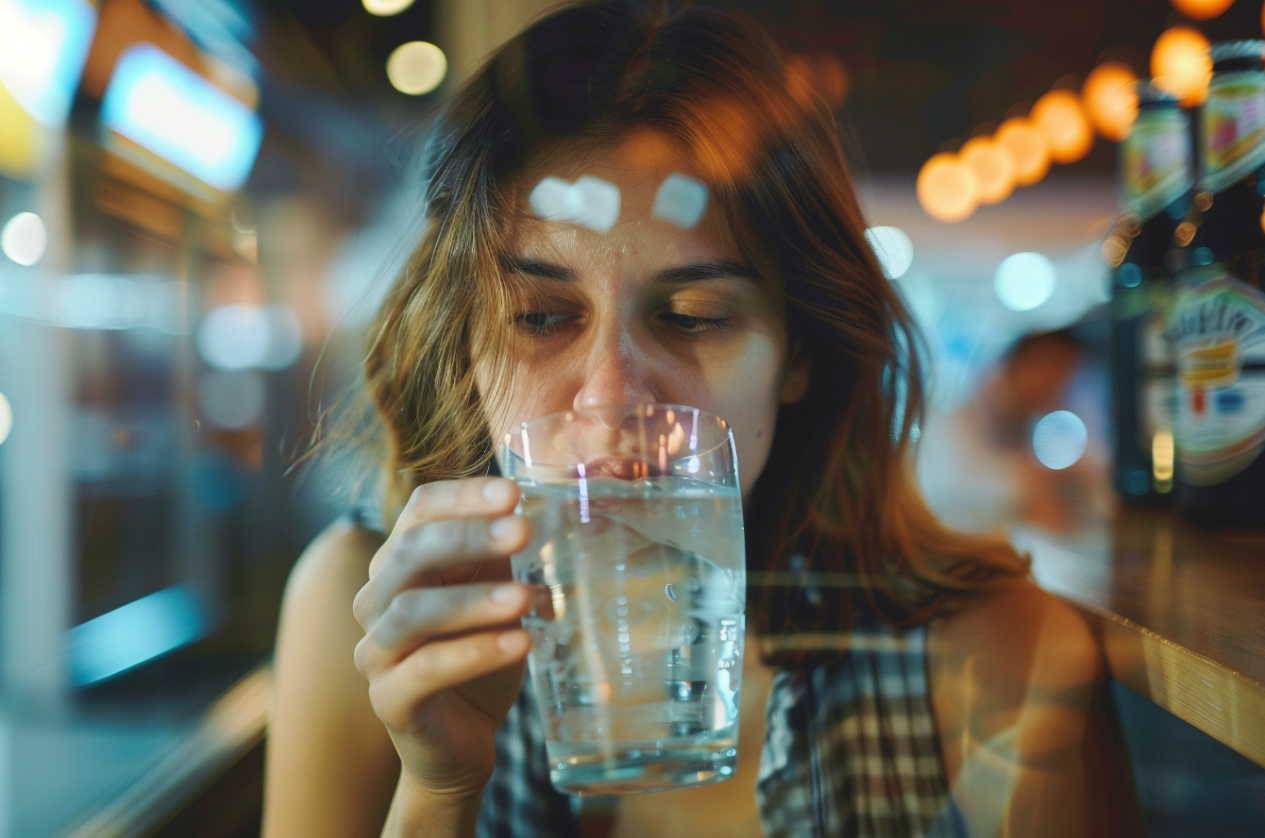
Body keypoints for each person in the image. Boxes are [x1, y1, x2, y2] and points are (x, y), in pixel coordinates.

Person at [261, 3, 1144, 837]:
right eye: (539, 316)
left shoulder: (995, 663)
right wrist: (438, 794)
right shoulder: (357, 614)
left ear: (800, 353)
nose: (611, 401)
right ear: (466, 346)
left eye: (691, 317)